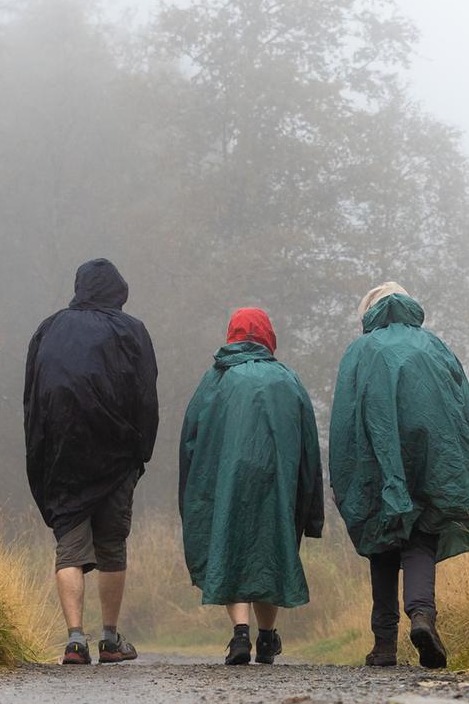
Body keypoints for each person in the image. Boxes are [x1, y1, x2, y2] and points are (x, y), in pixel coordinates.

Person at [329, 282, 469, 669]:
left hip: (375, 457)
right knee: (421, 535)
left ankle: (384, 644)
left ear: (369, 312)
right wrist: (465, 452)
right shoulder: (435, 346)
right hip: (435, 455)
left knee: (381, 540)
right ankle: (421, 616)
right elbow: (466, 409)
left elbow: (343, 420)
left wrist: (343, 471)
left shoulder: (360, 350)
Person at [24, 258, 158, 665]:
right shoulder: (131, 330)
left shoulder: (49, 329)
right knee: (112, 544)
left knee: (69, 547)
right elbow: (146, 396)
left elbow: (33, 398)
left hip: (62, 455)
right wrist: (141, 452)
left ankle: (75, 640)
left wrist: (40, 454)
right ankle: (111, 639)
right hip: (117, 454)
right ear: (118, 290)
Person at [178, 308, 324, 665]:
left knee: (230, 547)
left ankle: (240, 634)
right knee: (269, 550)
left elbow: (190, 439)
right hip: (278, 481)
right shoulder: (288, 380)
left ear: (232, 334)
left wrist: (191, 494)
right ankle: (267, 637)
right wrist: (311, 507)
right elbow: (309, 444)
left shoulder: (216, 379)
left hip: (225, 480)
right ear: (268, 336)